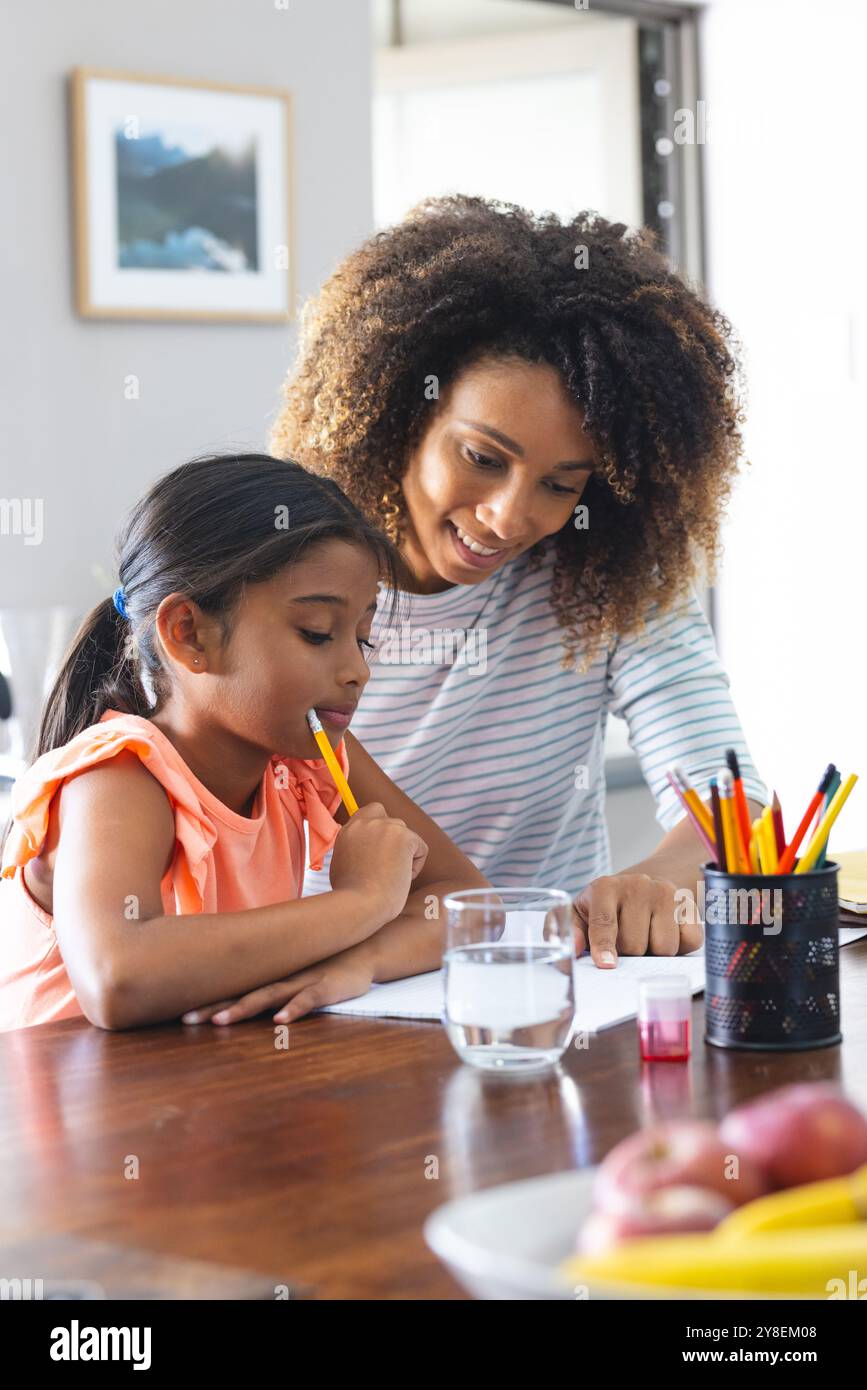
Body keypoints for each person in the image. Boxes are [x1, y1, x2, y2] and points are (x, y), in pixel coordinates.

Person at [268, 194, 767, 971]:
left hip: (556, 1000)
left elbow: (736, 809)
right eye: (482, 458)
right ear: (403, 413)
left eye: (560, 485)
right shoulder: (288, 590)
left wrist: (657, 884)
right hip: (338, 996)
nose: (508, 517)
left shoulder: (611, 578)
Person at [0, 454, 488, 1032]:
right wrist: (362, 903)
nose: (358, 670)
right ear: (189, 633)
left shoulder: (310, 759)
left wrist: (361, 961)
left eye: (364, 639)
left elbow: (469, 906)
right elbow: (116, 977)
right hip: (86, 1111)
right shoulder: (122, 775)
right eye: (317, 633)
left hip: (203, 1097)